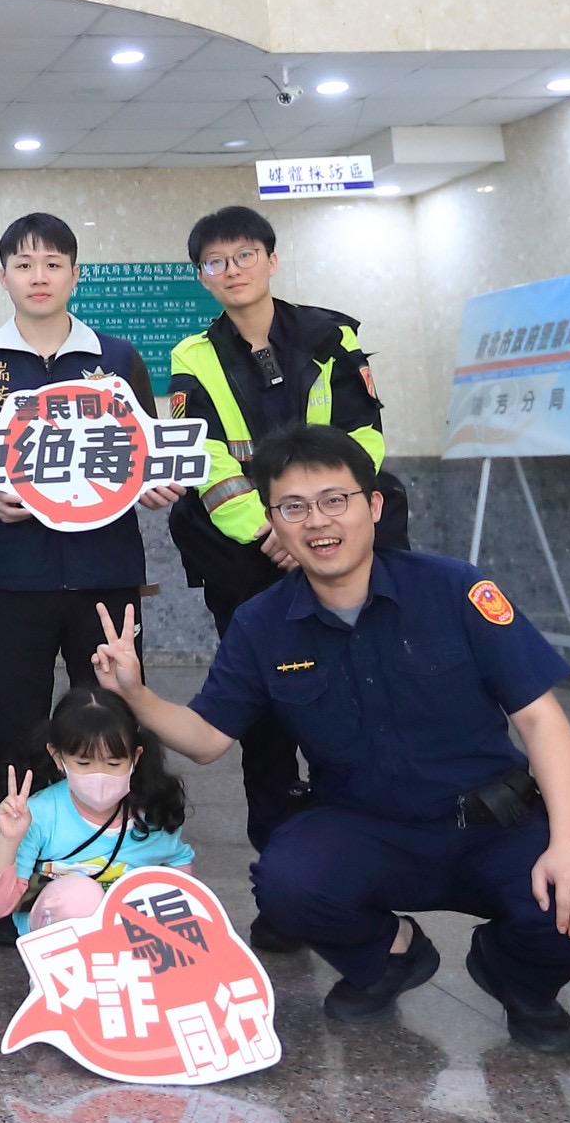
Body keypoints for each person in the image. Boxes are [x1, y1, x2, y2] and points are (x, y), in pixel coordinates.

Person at [93, 424, 570, 1054]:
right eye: (293, 508)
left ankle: (516, 975)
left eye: (334, 500)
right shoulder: (263, 623)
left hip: (493, 824)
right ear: (273, 522)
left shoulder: (454, 589)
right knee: (288, 885)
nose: (316, 522)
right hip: (368, 828)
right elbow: (209, 738)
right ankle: (393, 954)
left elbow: (542, 719)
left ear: (372, 506)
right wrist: (135, 693)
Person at [0, 213, 178, 944]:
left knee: (113, 718)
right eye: (23, 264)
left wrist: (153, 483)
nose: (38, 275)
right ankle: (16, 884)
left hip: (106, 570)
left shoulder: (117, 357)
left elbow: (143, 449)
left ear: (76, 275)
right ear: (4, 276)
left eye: (52, 263)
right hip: (12, 574)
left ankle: (121, 869)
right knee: (15, 727)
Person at [167, 205, 407, 916]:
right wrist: (271, 526)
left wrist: (313, 520)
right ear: (203, 278)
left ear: (272, 259)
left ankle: (371, 876)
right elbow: (206, 458)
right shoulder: (192, 356)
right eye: (215, 262)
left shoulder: (334, 336)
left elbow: (364, 437)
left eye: (244, 254)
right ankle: (282, 889)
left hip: (338, 548)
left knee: (358, 702)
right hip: (248, 556)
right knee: (266, 719)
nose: (232, 270)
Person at [0, 686, 193, 937]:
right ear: (58, 757)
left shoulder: (151, 815)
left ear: (135, 758)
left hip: (130, 941)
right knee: (80, 897)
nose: (99, 775)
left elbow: (179, 861)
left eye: (113, 763)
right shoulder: (39, 814)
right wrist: (8, 839)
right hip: (59, 938)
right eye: (84, 763)